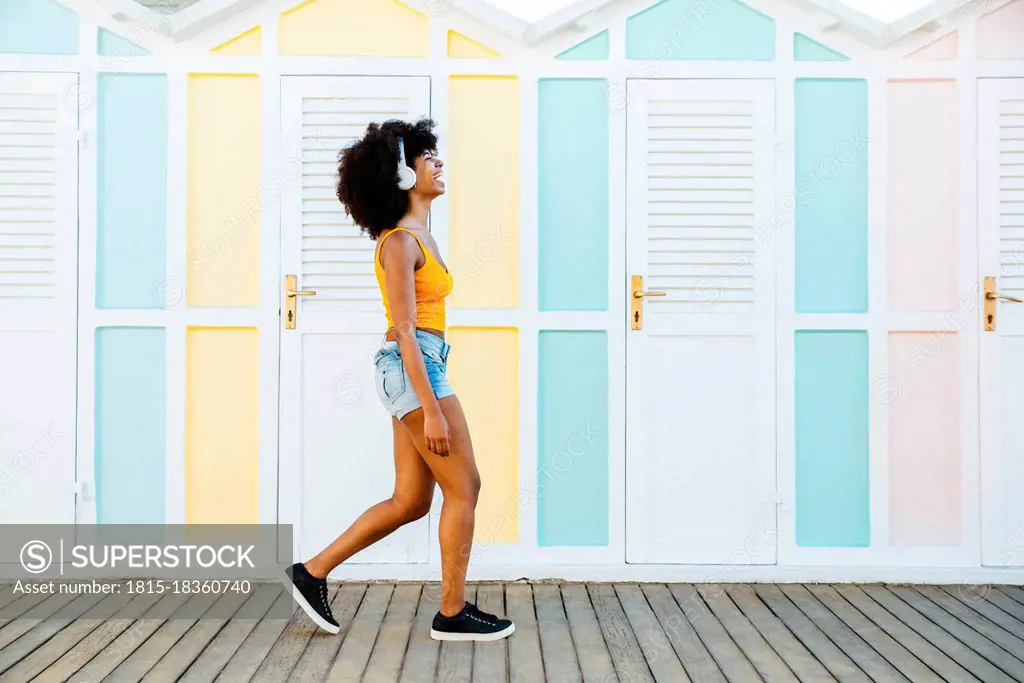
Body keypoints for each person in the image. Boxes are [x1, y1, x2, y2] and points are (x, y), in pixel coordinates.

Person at [284, 118, 515, 642]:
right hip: (417, 368)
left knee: (411, 500)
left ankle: (311, 572)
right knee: (466, 486)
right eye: (425, 156)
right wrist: (431, 407)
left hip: (420, 364)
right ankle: (452, 613)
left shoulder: (420, 236)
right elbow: (406, 333)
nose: (437, 162)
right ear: (401, 176)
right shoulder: (399, 244)